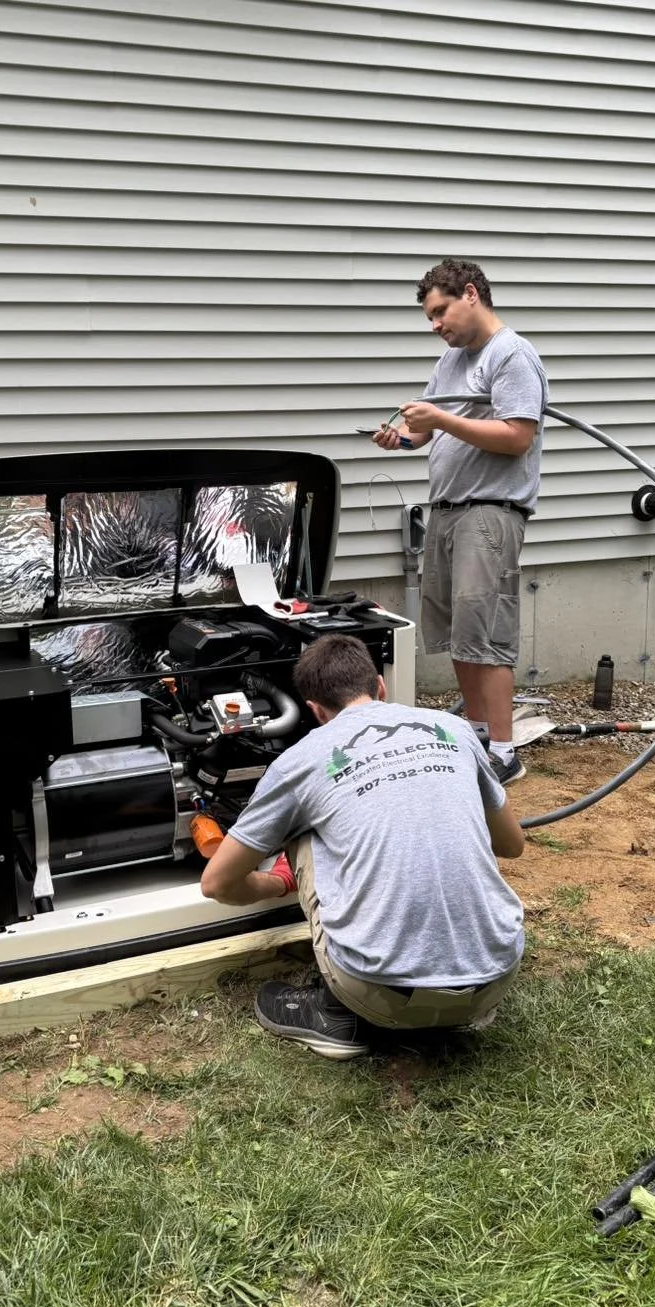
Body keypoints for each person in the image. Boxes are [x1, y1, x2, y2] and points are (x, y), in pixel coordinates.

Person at [200, 634, 525, 1060]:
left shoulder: (299, 762)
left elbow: (217, 883)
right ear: (380, 686)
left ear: (315, 711)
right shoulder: (456, 730)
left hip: (378, 995)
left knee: (305, 826)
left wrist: (274, 883)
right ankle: (458, 993)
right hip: (495, 979)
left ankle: (336, 1016)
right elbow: (512, 844)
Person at [372, 258, 548, 786]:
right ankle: (474, 739)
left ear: (471, 294)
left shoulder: (511, 355)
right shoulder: (451, 361)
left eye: (440, 311)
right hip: (448, 511)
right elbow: (427, 433)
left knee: (487, 635)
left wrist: (442, 418)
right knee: (458, 635)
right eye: (429, 317)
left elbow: (518, 436)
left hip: (490, 513)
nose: (435, 325)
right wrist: (402, 439)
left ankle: (503, 753)